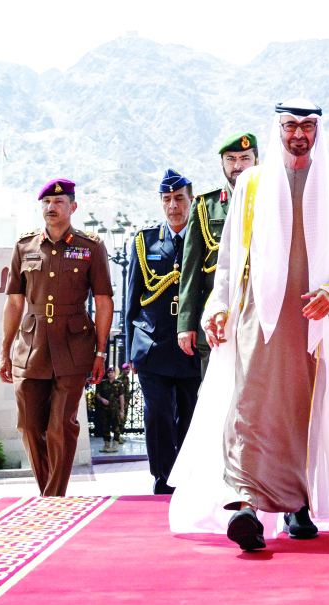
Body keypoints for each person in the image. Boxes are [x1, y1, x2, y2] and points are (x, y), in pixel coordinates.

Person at [168, 99, 329, 552]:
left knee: (302, 410)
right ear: (278, 129)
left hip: (313, 321)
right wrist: (218, 305)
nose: (299, 134)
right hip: (257, 317)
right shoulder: (253, 183)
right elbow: (229, 256)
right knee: (250, 407)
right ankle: (245, 506)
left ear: (318, 131)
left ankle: (297, 503)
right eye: (290, 125)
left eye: (307, 126)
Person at [0, 178, 113, 496]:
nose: (51, 207)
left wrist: (101, 352)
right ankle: (47, 491)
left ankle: (52, 498)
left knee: (61, 425)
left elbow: (103, 301)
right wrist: (5, 351)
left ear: (72, 207)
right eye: (46, 202)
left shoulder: (91, 247)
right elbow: (14, 302)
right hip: (31, 348)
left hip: (74, 347)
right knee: (29, 426)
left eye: (59, 202)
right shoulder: (25, 246)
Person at [126, 169, 202, 494]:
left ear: (191, 200)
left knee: (189, 415)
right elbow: (132, 299)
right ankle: (163, 478)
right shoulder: (145, 242)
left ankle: (186, 477)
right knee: (157, 413)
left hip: (191, 345)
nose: (174, 206)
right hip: (153, 345)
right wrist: (130, 352)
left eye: (179, 198)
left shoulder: (204, 240)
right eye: (167, 199)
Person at [177, 133, 260, 376]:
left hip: (257, 314)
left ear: (257, 161)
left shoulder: (272, 201)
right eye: (231, 159)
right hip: (216, 318)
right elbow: (190, 270)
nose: (238, 165)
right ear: (221, 163)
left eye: (245, 158)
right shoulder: (206, 205)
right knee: (214, 390)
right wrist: (185, 324)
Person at [95, 367, 125, 453]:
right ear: (107, 374)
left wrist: (122, 410)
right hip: (105, 409)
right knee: (105, 426)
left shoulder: (119, 383)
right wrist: (102, 399)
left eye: (112, 372)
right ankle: (106, 445)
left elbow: (121, 397)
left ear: (115, 373)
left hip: (115, 409)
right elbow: (97, 394)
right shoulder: (103, 383)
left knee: (116, 426)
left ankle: (115, 445)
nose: (110, 374)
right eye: (109, 372)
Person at [117, 363, 132, 438]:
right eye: (126, 369)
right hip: (120, 402)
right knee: (120, 419)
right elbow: (119, 391)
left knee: (124, 418)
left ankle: (119, 435)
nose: (128, 371)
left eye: (129, 369)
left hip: (126, 402)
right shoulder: (120, 378)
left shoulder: (127, 378)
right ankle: (117, 436)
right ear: (123, 370)